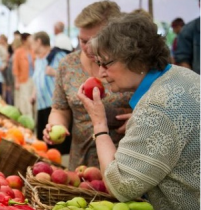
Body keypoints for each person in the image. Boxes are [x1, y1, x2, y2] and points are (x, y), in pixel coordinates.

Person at [78, 13, 200, 209]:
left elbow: (121, 187)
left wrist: (99, 125)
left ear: (134, 58)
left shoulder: (154, 108)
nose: (101, 73)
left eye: (106, 63)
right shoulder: (182, 75)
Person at [43, 1, 132, 171]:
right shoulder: (68, 64)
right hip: (80, 163)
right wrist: (56, 125)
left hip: (123, 163)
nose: (89, 48)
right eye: (83, 41)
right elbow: (59, 109)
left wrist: (140, 119)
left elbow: (156, 100)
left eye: (96, 41)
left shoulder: (129, 64)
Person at [31, 31, 67, 141]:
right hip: (41, 105)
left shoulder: (58, 55)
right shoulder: (38, 60)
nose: (31, 46)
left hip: (55, 106)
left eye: (32, 43)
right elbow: (38, 79)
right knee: (44, 139)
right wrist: (33, 94)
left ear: (38, 42)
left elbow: (70, 76)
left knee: (56, 139)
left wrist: (54, 72)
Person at [13, 33, 35, 119]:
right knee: (25, 102)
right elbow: (15, 68)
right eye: (30, 38)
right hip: (23, 80)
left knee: (33, 101)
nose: (31, 40)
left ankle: (34, 121)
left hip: (33, 80)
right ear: (24, 40)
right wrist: (17, 82)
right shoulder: (18, 52)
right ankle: (27, 121)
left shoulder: (33, 51)